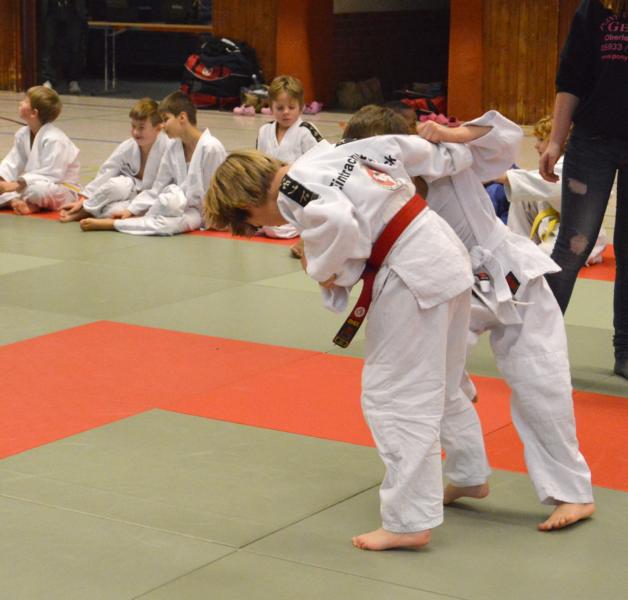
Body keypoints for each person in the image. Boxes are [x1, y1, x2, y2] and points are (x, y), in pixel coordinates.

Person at [205, 128, 501, 552]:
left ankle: (409, 520)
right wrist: (450, 153)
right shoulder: (330, 153)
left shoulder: (291, 192)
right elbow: (398, 148)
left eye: (250, 223)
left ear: (247, 204)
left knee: (393, 395)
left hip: (413, 271)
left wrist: (323, 268)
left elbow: (341, 224)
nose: (264, 226)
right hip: (444, 253)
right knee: (444, 379)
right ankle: (468, 473)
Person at [344, 105, 595, 532]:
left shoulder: (449, 158)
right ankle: (468, 474)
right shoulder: (373, 191)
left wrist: (452, 133)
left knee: (540, 381)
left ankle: (573, 493)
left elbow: (504, 137)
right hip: (453, 289)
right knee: (433, 380)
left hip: (514, 279)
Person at [539, 0, 628, 379]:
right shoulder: (594, 10)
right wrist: (555, 141)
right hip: (592, 140)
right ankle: (536, 344)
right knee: (573, 246)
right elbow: (571, 79)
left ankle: (625, 350)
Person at [80, 91, 227, 235]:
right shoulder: (173, 147)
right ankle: (119, 219)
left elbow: (219, 194)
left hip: (202, 213)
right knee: (130, 209)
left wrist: (216, 219)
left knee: (167, 224)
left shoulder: (211, 148)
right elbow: (158, 189)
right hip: (177, 206)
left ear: (182, 117)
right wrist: (131, 210)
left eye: (166, 119)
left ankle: (114, 225)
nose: (162, 125)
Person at [506, 116, 608, 264]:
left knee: (539, 258)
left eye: (541, 139)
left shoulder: (574, 167)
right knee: (522, 195)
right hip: (555, 230)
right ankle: (518, 243)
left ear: (559, 141)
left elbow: (543, 183)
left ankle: (526, 253)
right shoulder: (552, 166)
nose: (536, 146)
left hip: (579, 236)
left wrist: (497, 176)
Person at [59, 98, 169, 223]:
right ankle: (86, 209)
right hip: (129, 193)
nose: (135, 132)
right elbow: (107, 172)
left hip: (153, 197)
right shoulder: (127, 147)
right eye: (133, 126)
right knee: (117, 185)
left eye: (141, 127)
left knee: (111, 212)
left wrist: (133, 208)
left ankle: (90, 211)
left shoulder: (168, 149)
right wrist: (84, 199)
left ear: (158, 128)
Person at [255, 75, 324, 240]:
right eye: (280, 108)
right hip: (272, 197)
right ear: (271, 107)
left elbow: (323, 167)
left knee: (277, 230)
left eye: (291, 107)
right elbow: (258, 168)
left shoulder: (306, 131)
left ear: (301, 107)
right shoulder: (264, 131)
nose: (286, 112)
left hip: (299, 198)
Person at [0, 86, 80, 214]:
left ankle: (23, 201)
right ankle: (16, 201)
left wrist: (15, 185)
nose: (20, 103)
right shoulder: (23, 134)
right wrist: (2, 180)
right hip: (29, 183)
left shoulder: (55, 139)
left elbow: (50, 175)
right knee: (14, 188)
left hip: (59, 188)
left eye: (25, 101)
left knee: (37, 191)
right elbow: (12, 163)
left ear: (34, 113)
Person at [39, 0, 87, 94]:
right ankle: (48, 79)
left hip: (73, 9)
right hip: (51, 9)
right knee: (49, 45)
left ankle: (73, 80)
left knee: (75, 46)